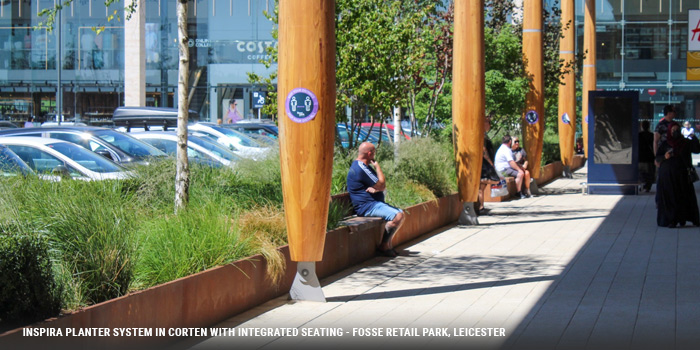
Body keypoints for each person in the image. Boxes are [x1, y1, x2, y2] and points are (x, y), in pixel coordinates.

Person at [347, 142, 405, 257]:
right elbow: (382, 185)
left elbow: (379, 186)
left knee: (400, 213)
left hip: (372, 204)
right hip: (367, 206)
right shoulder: (361, 167)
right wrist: (378, 167)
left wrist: (377, 188)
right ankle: (384, 246)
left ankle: (387, 245)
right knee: (397, 215)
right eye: (374, 152)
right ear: (369, 153)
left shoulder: (362, 166)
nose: (375, 154)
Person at [655, 122, 700, 227]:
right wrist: (664, 157)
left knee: (683, 196)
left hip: (682, 175)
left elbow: (697, 150)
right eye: (673, 130)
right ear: (670, 131)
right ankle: (672, 219)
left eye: (677, 130)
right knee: (670, 197)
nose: (675, 132)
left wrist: (694, 138)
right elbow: (658, 157)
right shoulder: (665, 144)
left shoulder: (685, 143)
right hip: (668, 175)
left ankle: (682, 218)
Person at [494, 135, 529, 199]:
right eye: (515, 141)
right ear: (510, 142)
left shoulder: (502, 148)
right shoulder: (506, 150)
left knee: (522, 172)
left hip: (503, 168)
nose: (517, 143)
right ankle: (519, 192)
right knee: (520, 173)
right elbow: (511, 162)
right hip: (503, 169)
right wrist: (519, 169)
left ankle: (523, 191)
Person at [478, 116, 500, 214]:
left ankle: (481, 206)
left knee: (483, 186)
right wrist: (491, 163)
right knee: (482, 185)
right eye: (487, 122)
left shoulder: (484, 135)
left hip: (486, 165)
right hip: (484, 165)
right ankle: (481, 207)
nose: (489, 124)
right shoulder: (481, 135)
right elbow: (483, 150)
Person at [638, 120, 655, 192]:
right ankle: (647, 187)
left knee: (640, 173)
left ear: (642, 126)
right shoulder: (652, 135)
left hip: (640, 157)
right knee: (649, 173)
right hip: (649, 157)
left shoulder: (638, 135)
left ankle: (641, 184)